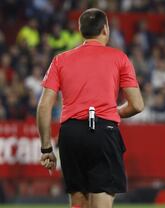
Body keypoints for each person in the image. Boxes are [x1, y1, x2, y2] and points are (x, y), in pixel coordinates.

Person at [36, 8, 144, 208]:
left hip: (71, 134)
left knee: (78, 202)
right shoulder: (119, 58)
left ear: (80, 30)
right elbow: (137, 105)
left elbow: (43, 106)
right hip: (104, 131)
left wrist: (46, 149)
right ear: (105, 29)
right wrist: (113, 112)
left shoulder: (60, 60)